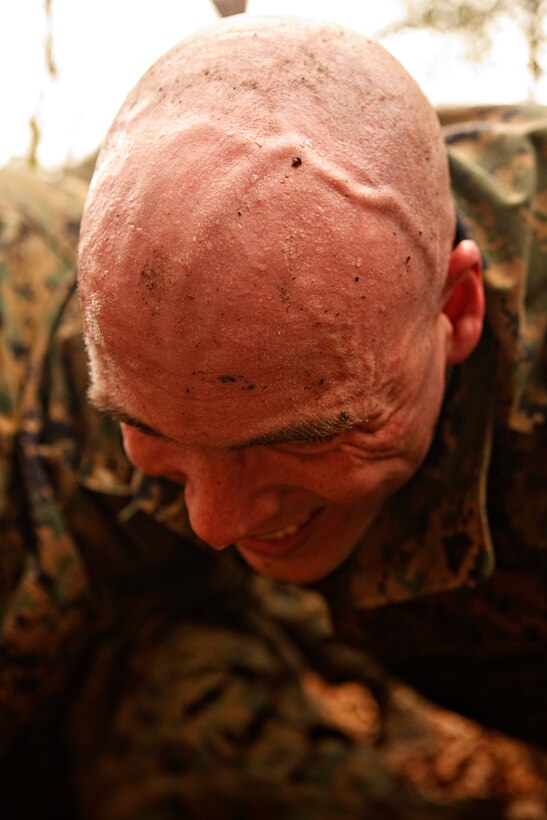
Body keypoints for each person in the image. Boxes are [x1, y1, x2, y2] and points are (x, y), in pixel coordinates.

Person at [1, 14, 546, 820]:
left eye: (304, 438)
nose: (212, 520)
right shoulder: (137, 333)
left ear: (455, 310)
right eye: (151, 428)